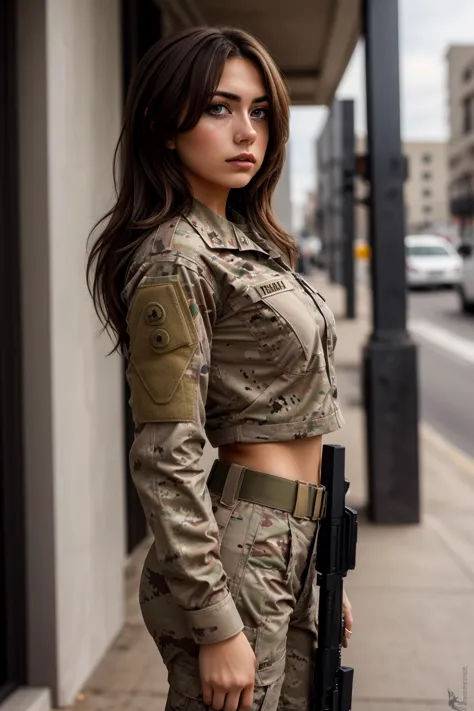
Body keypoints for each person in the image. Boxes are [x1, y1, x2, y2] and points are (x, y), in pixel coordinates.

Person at [87, 25, 353, 711]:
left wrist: (320, 569)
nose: (246, 131)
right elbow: (165, 455)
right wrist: (213, 621)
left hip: (290, 540)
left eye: (259, 110)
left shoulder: (245, 243)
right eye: (218, 107)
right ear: (163, 124)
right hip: (236, 550)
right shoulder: (175, 258)